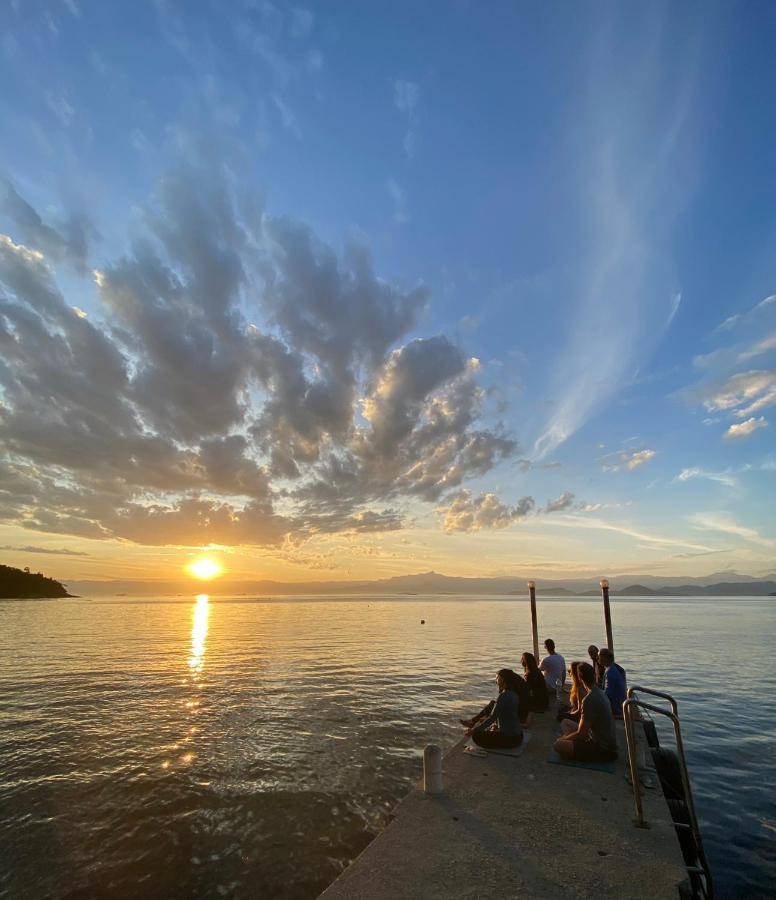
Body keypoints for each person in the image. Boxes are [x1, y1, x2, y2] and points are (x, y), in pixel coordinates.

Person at [553, 662, 618, 763]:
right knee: (566, 722)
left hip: (603, 750)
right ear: (594, 675)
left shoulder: (589, 699)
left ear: (580, 678)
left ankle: (574, 752)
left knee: (557, 745)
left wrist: (564, 739)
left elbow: (581, 734)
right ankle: (574, 747)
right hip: (604, 740)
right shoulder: (600, 692)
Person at [462, 669, 523, 750]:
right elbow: (509, 715)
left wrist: (474, 730)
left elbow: (492, 717)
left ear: (503, 680)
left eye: (497, 678)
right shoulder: (514, 693)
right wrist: (498, 726)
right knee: (488, 729)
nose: (496, 680)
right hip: (519, 735)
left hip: (511, 740)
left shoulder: (503, 696)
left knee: (476, 736)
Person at [599, 648, 627, 718]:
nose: (598, 658)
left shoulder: (610, 672)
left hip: (615, 707)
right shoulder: (611, 668)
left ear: (606, 658)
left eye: (599, 656)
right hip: (617, 703)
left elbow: (608, 693)